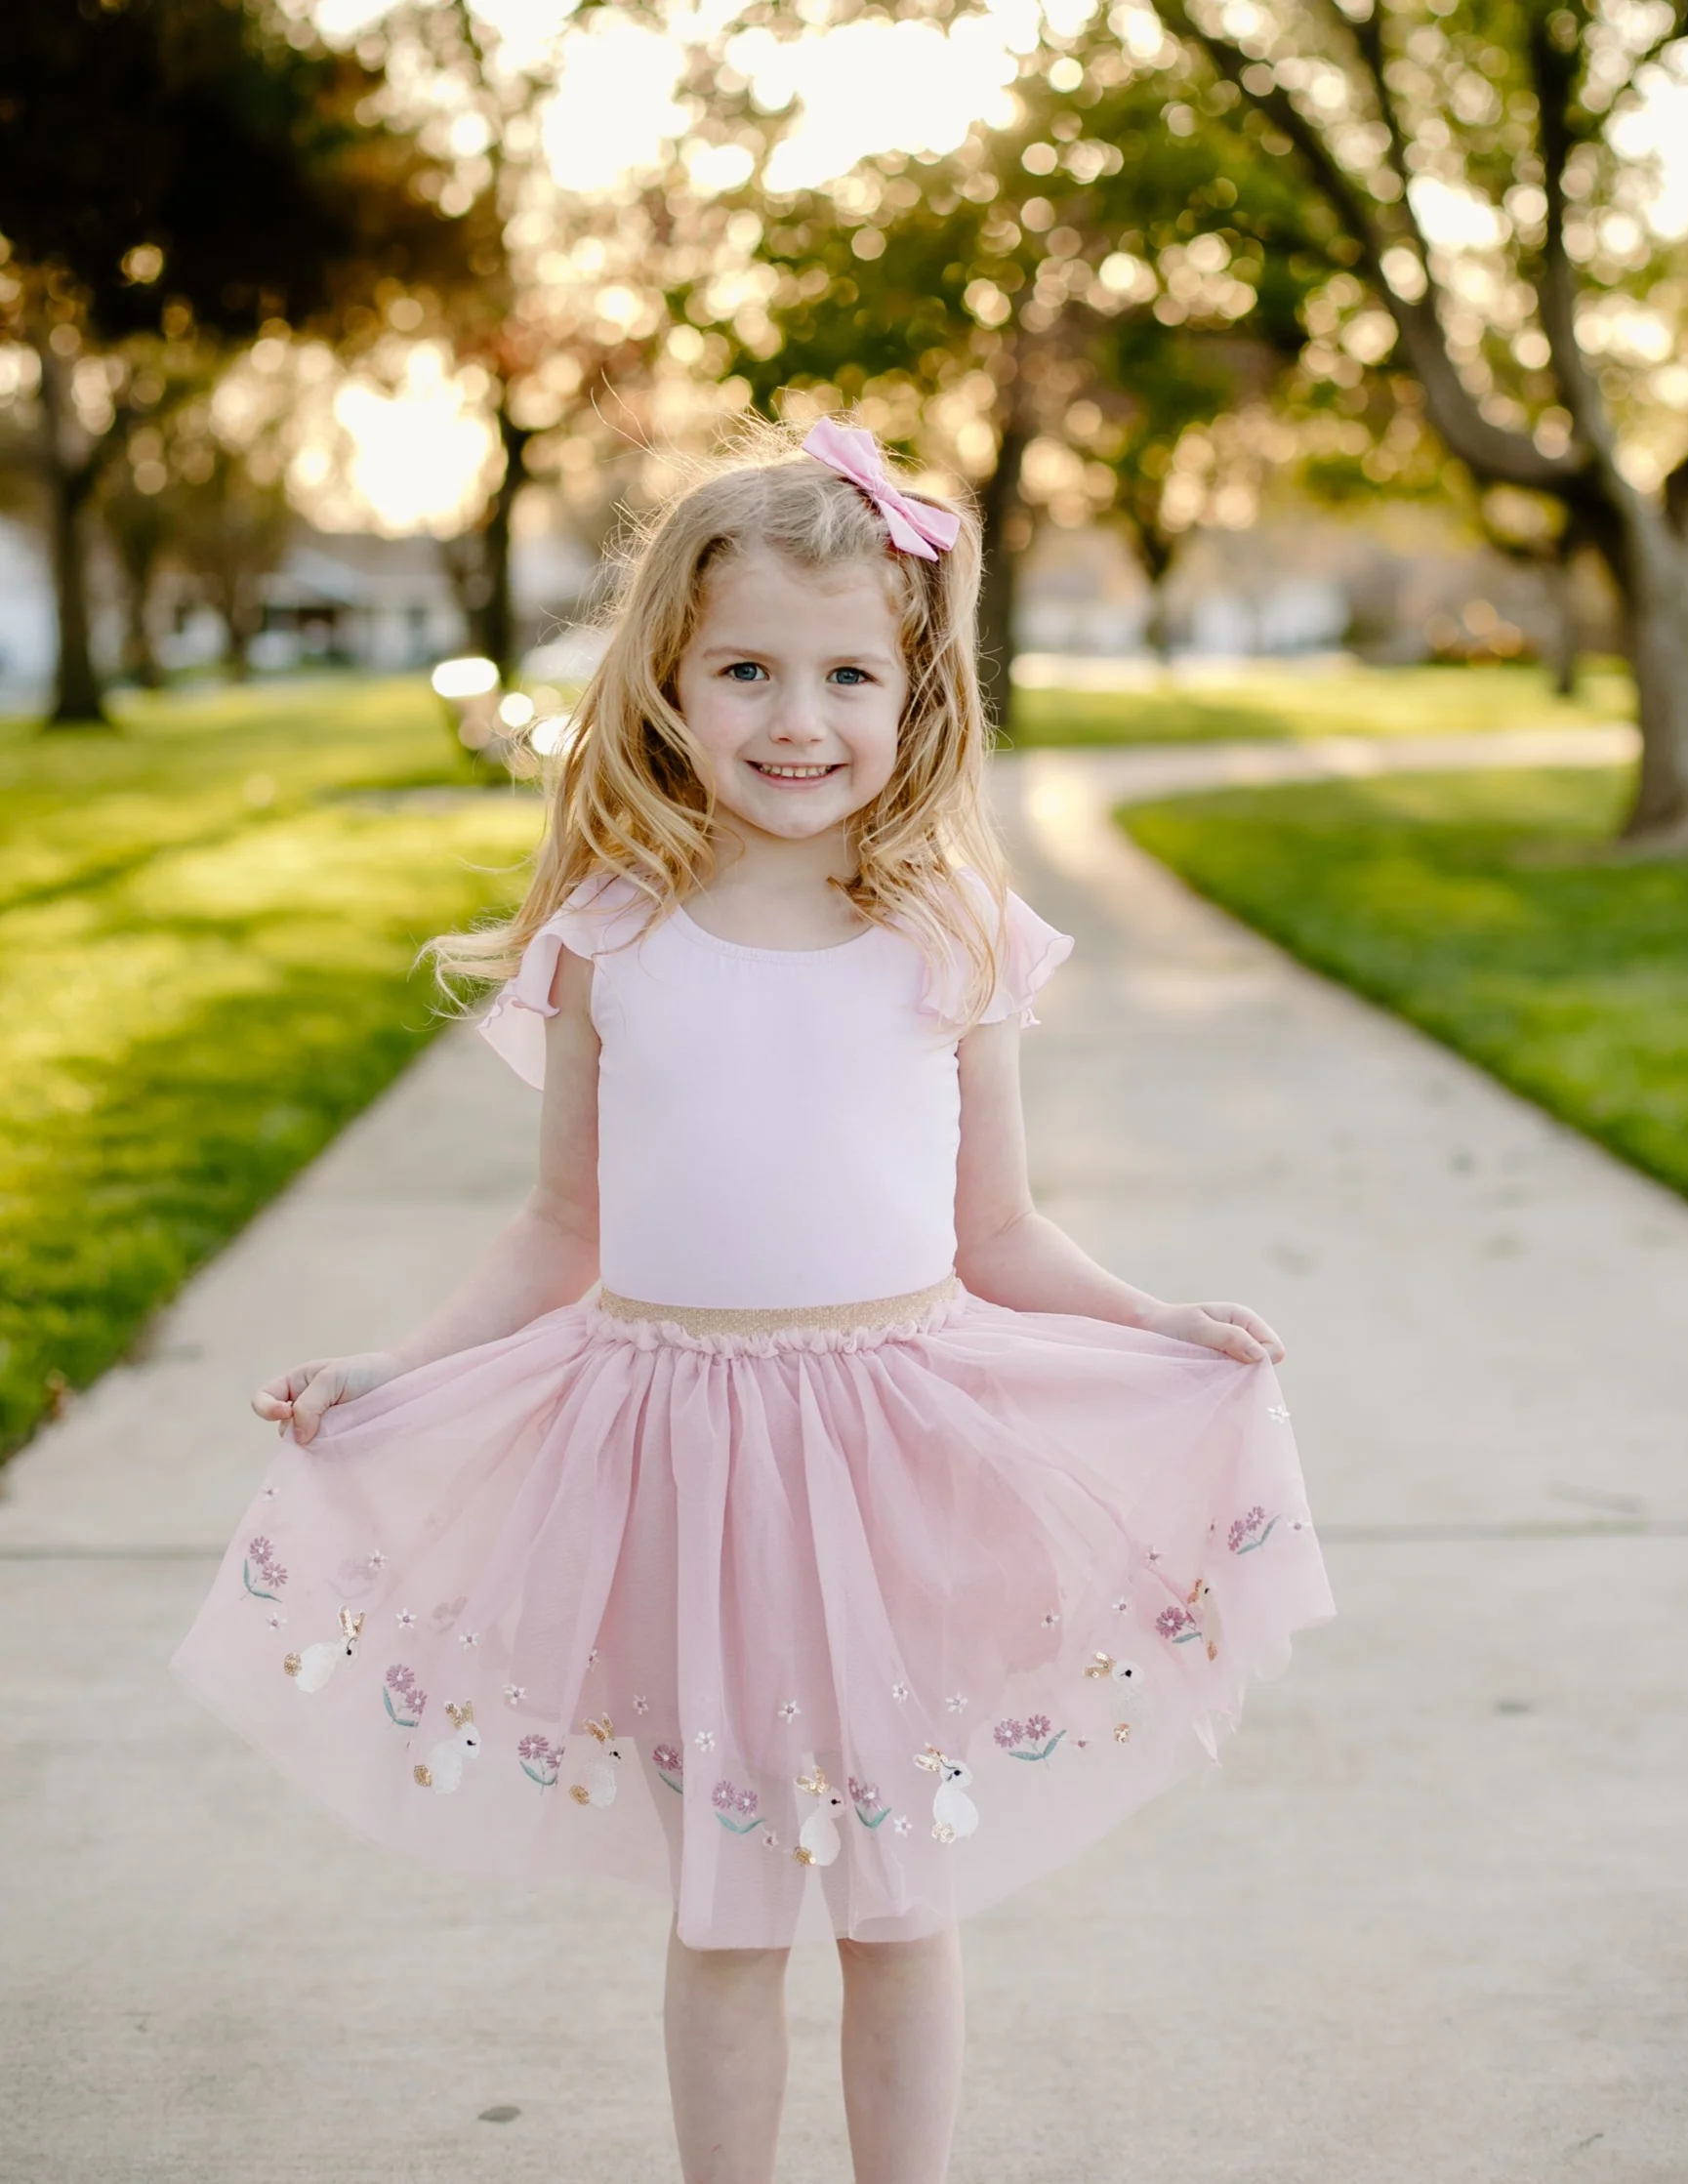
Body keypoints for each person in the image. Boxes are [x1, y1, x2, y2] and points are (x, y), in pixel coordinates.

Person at [173, 416, 1335, 2184]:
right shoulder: (608, 935)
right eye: (749, 671)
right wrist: (389, 1368)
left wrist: (1158, 1324)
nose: (801, 721)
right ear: (670, 682)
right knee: (725, 1912)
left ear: (917, 689)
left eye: (849, 672)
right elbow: (557, 1232)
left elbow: (1000, 1234)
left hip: (891, 1465)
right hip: (678, 1469)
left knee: (894, 1897)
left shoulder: (954, 932)